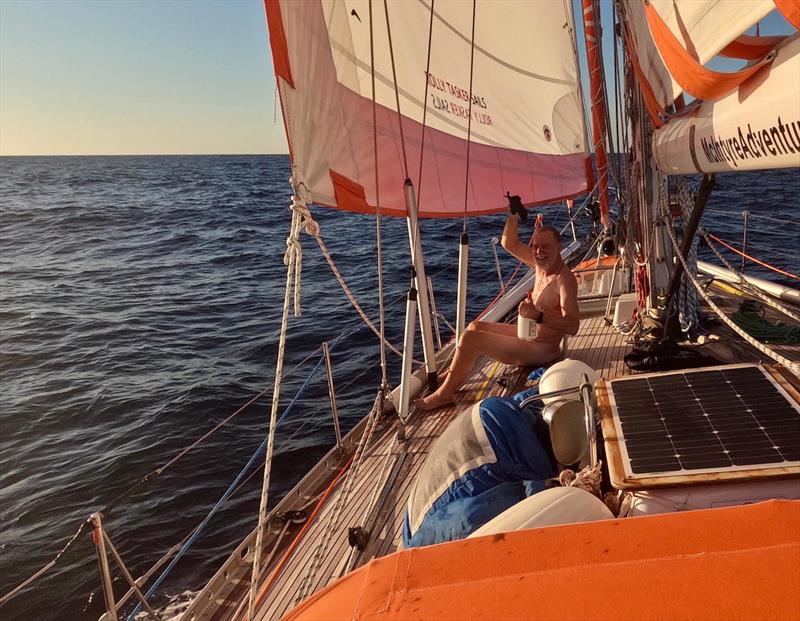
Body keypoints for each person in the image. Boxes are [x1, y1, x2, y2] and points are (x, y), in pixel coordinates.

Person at [415, 214, 580, 410]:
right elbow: (508, 242)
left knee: (471, 339)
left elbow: (573, 325)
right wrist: (514, 215)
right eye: (535, 246)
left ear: (559, 247)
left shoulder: (564, 280)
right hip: (528, 335)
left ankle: (445, 394)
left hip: (544, 348)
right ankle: (453, 373)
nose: (538, 252)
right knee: (474, 326)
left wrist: (538, 315)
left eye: (545, 247)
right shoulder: (539, 265)